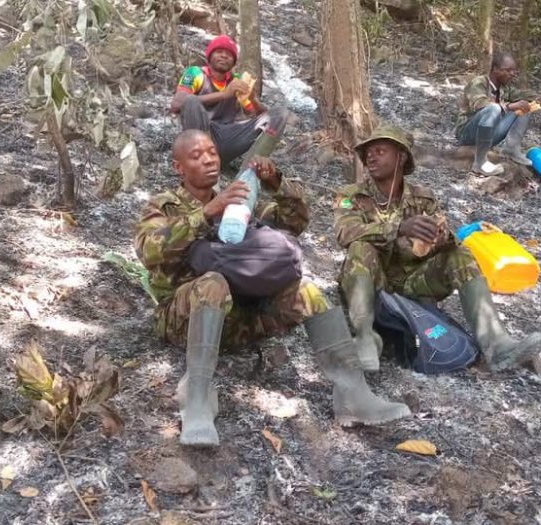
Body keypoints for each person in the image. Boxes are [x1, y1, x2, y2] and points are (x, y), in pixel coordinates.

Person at [134, 130, 410, 447]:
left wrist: (275, 182)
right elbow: (149, 251)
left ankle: (353, 393)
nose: (209, 159)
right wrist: (206, 214)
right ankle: (197, 399)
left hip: (242, 320)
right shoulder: (164, 207)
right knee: (213, 281)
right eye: (197, 155)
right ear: (178, 167)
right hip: (185, 320)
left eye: (212, 151)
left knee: (306, 290)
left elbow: (296, 221)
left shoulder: (238, 200)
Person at [334, 124, 541, 373]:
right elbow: (345, 233)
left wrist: (440, 237)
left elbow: (448, 240)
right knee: (361, 247)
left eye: (380, 151)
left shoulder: (423, 197)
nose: (371, 157)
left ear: (401, 157)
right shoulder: (351, 195)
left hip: (414, 283)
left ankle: (496, 343)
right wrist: (399, 228)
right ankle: (365, 338)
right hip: (372, 285)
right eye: (367, 153)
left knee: (460, 254)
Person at [456, 52, 541, 175]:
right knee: (494, 109)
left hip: (489, 135)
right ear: (495, 69)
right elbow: (479, 103)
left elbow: (534, 97)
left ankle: (511, 149)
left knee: (525, 106)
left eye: (513, 71)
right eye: (508, 70)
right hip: (467, 134)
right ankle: (480, 163)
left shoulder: (505, 89)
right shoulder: (479, 82)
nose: (512, 74)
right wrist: (509, 106)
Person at [169, 35, 278, 169]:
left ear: (233, 62)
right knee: (191, 101)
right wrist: (224, 95)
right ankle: (203, 163)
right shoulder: (195, 73)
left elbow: (257, 115)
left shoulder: (236, 81)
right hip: (199, 136)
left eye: (229, 54)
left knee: (277, 116)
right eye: (219, 52)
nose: (224, 56)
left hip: (226, 138)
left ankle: (249, 171)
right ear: (210, 56)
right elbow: (177, 104)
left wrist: (252, 99)